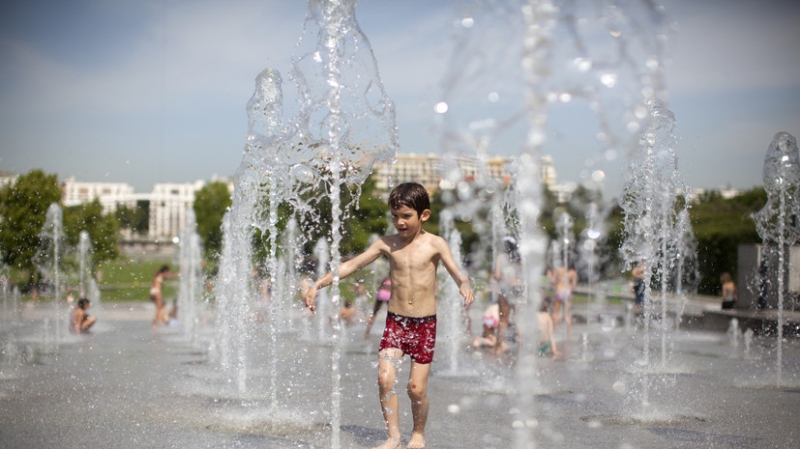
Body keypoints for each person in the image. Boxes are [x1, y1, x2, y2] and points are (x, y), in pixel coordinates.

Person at [303, 182, 474, 449]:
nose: (399, 222)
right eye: (395, 216)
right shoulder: (387, 244)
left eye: (406, 216)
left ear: (424, 215)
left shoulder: (436, 244)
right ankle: (393, 437)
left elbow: (456, 271)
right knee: (384, 378)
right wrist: (317, 284)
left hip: (424, 325)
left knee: (415, 389)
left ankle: (418, 433)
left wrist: (464, 285)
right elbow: (352, 264)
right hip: (397, 321)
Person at [492, 236, 523, 353]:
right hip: (518, 288)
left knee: (503, 319)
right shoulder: (519, 258)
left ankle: (499, 346)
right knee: (518, 319)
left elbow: (497, 275)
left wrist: (496, 278)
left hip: (506, 289)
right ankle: (521, 347)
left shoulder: (501, 258)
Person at [549, 262, 577, 336]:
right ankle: (569, 332)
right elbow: (573, 285)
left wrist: (555, 281)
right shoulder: (571, 272)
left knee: (556, 312)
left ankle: (556, 329)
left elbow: (553, 281)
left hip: (559, 291)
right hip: (568, 292)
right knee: (567, 313)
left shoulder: (557, 270)